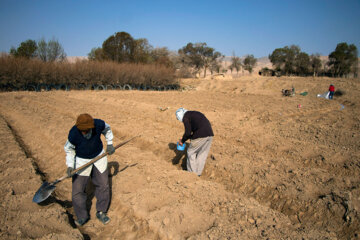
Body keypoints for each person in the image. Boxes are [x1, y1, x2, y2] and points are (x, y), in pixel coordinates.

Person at [64, 113, 115, 226]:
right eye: (83, 131)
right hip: (82, 160)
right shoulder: (73, 134)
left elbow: (107, 129)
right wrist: (70, 165)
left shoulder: (98, 124)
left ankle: (101, 211)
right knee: (78, 190)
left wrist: (110, 143)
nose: (85, 133)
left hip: (98, 156)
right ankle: (82, 216)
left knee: (103, 184)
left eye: (87, 130)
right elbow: (69, 150)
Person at [175, 108, 214, 176]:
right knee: (202, 154)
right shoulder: (194, 114)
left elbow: (187, 133)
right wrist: (189, 137)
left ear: (180, 115)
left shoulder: (185, 117)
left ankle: (192, 175)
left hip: (200, 135)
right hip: (210, 134)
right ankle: (198, 174)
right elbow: (196, 128)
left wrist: (182, 141)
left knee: (191, 152)